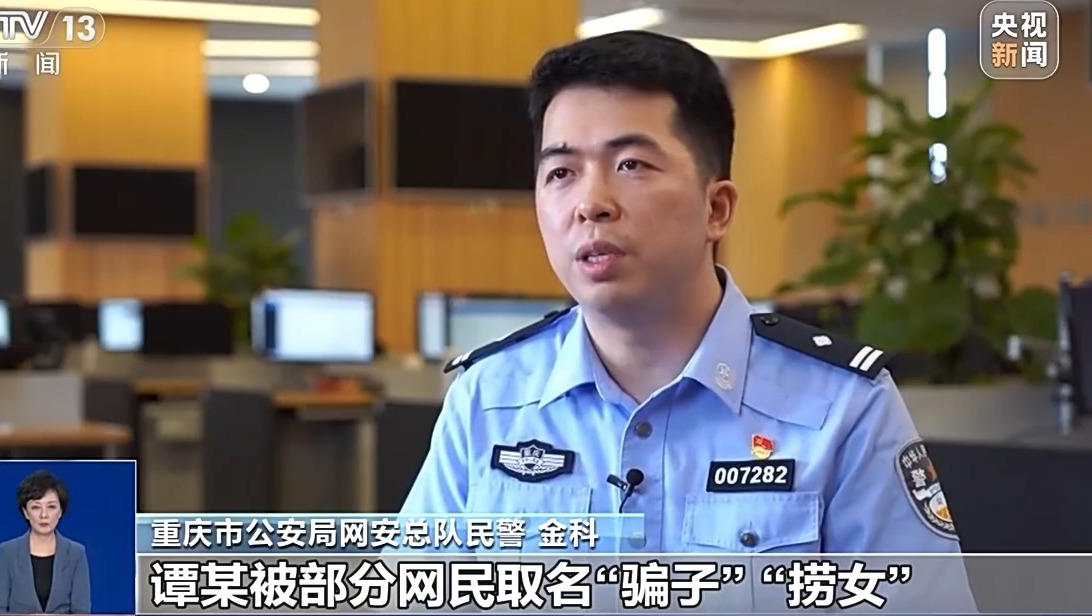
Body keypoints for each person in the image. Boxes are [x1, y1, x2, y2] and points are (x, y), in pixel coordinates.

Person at [402, 31, 972, 561]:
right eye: (561, 173)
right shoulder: (488, 401)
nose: (591, 203)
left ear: (716, 208)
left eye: (630, 164)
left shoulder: (842, 408)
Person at [0, 469, 91, 614]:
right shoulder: (7, 552)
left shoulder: (76, 554)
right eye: (36, 507)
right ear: (25, 512)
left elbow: (82, 612)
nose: (44, 515)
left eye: (51, 507)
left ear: (61, 511)